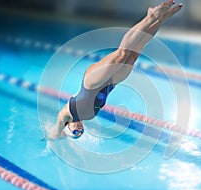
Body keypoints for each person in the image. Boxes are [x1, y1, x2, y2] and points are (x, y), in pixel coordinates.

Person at [48, 0, 183, 139]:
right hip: (110, 84)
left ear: (67, 126)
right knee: (135, 53)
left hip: (91, 83)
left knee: (121, 54)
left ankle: (150, 17)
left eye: (75, 132)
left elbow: (55, 132)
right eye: (80, 133)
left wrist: (54, 137)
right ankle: (161, 19)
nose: (80, 130)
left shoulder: (66, 114)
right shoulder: (88, 117)